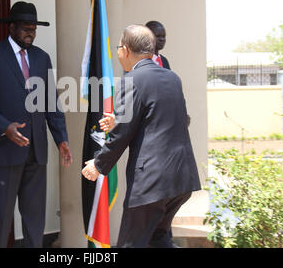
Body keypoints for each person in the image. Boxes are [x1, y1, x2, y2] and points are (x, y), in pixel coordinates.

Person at [82, 25, 201, 248]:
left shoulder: (131, 80)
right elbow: (174, 119)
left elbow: (122, 134)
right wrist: (119, 120)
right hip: (180, 178)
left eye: (118, 48)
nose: (118, 54)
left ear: (126, 50)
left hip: (151, 183)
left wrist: (98, 165)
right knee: (158, 239)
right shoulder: (172, 78)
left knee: (130, 244)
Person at [0, 1, 72, 248]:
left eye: (34, 29)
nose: (31, 33)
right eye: (26, 28)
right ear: (12, 28)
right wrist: (5, 126)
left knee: (34, 220)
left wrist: (61, 139)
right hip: (4, 151)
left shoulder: (41, 58)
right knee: (0, 219)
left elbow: (51, 102)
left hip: (36, 153)